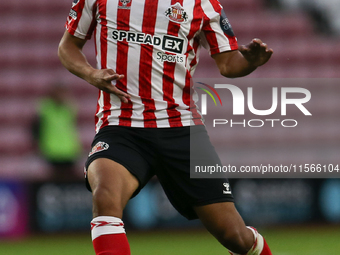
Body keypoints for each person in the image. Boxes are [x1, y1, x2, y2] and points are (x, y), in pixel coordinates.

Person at [58, 0, 273, 254]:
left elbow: (228, 64)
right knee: (105, 196)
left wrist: (250, 62)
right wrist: (90, 73)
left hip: (181, 128)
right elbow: (68, 46)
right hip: (121, 125)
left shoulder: (203, 4)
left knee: (234, 235)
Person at [32, 83, 82, 181]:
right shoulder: (44, 108)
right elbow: (35, 128)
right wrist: (37, 143)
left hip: (69, 148)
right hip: (51, 149)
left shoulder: (69, 108)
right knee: (54, 178)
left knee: (69, 178)